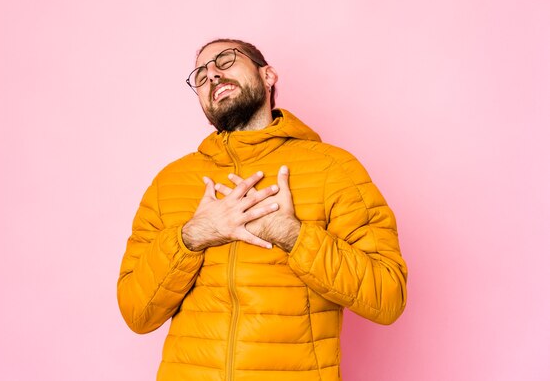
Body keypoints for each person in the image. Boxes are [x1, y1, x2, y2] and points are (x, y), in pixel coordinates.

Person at [117, 38, 408, 381]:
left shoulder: (334, 169)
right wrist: (193, 236)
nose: (211, 74)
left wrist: (294, 235)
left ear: (268, 76)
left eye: (225, 60)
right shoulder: (170, 182)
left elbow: (388, 296)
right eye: (200, 74)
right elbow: (137, 314)